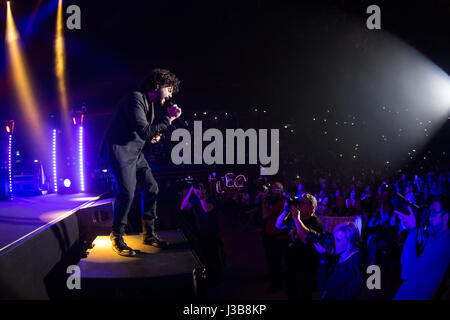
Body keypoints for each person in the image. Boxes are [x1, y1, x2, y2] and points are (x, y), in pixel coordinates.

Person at [100, 68, 182, 256]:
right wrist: (169, 118)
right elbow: (144, 131)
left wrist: (155, 135)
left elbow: (146, 133)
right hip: (119, 151)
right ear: (157, 86)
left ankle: (149, 234)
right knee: (127, 193)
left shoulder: (150, 104)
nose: (170, 95)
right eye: (169, 89)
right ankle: (117, 235)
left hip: (135, 153)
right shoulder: (134, 99)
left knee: (151, 187)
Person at [394, 199, 449, 299]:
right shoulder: (434, 237)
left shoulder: (444, 243)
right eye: (429, 213)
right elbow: (403, 261)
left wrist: (413, 230)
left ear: (445, 217)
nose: (429, 218)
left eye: (433, 213)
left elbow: (406, 272)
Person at [276, 193, 323, 299]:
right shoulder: (297, 217)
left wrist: (296, 218)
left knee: (303, 295)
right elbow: (278, 225)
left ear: (312, 207)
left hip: (305, 267)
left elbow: (305, 238)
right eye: (300, 202)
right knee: (291, 293)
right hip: (291, 263)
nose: (300, 205)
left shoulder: (316, 222)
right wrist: (286, 210)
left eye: (303, 203)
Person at [180, 183, 224, 285]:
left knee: (214, 256)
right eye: (197, 189)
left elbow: (206, 209)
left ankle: (218, 278)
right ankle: (209, 277)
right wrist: (190, 192)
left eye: (199, 188)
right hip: (202, 232)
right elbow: (182, 207)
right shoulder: (196, 200)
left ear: (205, 189)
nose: (197, 191)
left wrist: (201, 195)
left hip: (213, 232)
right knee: (205, 256)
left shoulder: (212, 199)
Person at [313, 222, 363, 300]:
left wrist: (323, 259)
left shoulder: (349, 267)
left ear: (349, 243)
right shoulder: (343, 256)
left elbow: (322, 286)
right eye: (333, 238)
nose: (333, 242)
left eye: (338, 240)